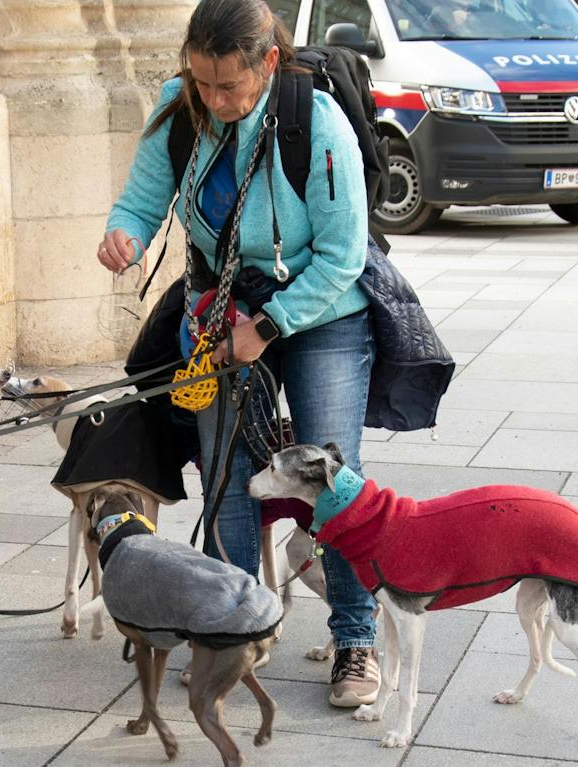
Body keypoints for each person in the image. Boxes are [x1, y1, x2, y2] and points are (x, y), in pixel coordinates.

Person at [98, 0, 384, 708]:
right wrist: (123, 235)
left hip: (318, 308)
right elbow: (142, 200)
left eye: (229, 86)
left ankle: (356, 639)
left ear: (268, 64)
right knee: (226, 474)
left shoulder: (315, 121)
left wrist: (269, 324)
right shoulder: (180, 105)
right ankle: (228, 628)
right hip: (220, 310)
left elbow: (344, 255)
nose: (214, 100)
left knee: (330, 477)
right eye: (201, 82)